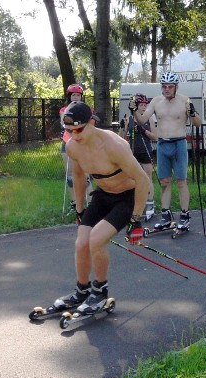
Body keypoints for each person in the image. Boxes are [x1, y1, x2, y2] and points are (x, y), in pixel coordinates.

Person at [48, 102, 150, 315]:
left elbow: (142, 179)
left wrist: (136, 219)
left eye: (78, 129)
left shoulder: (114, 146)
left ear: (91, 122)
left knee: (96, 240)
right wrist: (79, 207)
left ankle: (100, 291)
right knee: (81, 243)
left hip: (126, 198)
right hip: (102, 196)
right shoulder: (73, 146)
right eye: (69, 131)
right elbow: (77, 176)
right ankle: (82, 291)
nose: (74, 135)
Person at [131, 71, 202, 231]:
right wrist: (134, 109)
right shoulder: (156, 101)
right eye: (164, 86)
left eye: (170, 86)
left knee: (181, 181)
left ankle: (184, 215)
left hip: (179, 144)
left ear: (176, 87)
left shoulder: (184, 100)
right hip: (163, 145)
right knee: (164, 182)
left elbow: (198, 123)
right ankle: (165, 215)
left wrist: (192, 113)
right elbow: (142, 120)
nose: (167, 89)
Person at [118, 93, 157, 221]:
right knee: (132, 178)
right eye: (141, 105)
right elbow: (120, 139)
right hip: (132, 152)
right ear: (135, 106)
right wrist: (122, 127)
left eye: (145, 105)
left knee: (147, 177)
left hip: (146, 151)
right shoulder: (129, 119)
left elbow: (155, 137)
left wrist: (143, 130)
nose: (143, 108)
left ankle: (150, 204)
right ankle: (133, 204)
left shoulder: (150, 119)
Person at [60, 83, 92, 213]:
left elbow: (89, 124)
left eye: (78, 95)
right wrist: (69, 109)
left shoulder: (86, 109)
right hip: (67, 143)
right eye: (73, 95)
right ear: (69, 96)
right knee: (70, 176)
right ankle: (74, 203)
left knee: (86, 174)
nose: (76, 97)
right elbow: (63, 122)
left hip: (81, 143)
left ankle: (91, 203)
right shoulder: (64, 109)